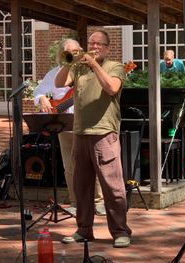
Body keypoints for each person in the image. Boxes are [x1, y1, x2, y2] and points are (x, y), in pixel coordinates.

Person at [55, 30, 132, 248]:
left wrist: (94, 64)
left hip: (104, 133)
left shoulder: (114, 67)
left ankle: (120, 232)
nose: (95, 47)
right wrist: (69, 60)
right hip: (80, 133)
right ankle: (84, 230)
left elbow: (111, 87)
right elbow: (60, 83)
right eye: (91, 43)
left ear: (107, 48)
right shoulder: (78, 67)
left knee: (112, 187)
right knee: (82, 187)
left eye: (99, 44)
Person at [33, 38, 106, 216]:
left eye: (76, 51)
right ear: (62, 55)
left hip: (87, 124)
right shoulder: (54, 74)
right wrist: (42, 98)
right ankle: (75, 202)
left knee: (92, 163)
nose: (73, 55)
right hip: (64, 125)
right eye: (69, 53)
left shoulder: (89, 70)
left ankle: (98, 201)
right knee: (70, 166)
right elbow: (38, 92)